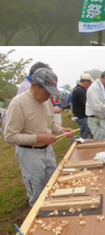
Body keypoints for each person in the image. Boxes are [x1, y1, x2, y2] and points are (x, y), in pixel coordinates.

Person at [3, 68, 75, 206]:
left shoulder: (46, 101)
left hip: (47, 151)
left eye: (51, 93)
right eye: (47, 92)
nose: (49, 97)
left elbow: (51, 124)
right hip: (30, 154)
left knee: (53, 185)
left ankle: (53, 214)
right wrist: (38, 138)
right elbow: (10, 136)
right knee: (37, 192)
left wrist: (61, 130)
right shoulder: (18, 103)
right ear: (35, 86)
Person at [72, 73, 94, 139]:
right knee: (85, 136)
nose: (90, 85)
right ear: (85, 81)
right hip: (82, 117)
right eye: (90, 82)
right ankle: (83, 147)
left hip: (79, 116)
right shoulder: (81, 91)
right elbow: (86, 105)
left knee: (84, 133)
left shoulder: (76, 89)